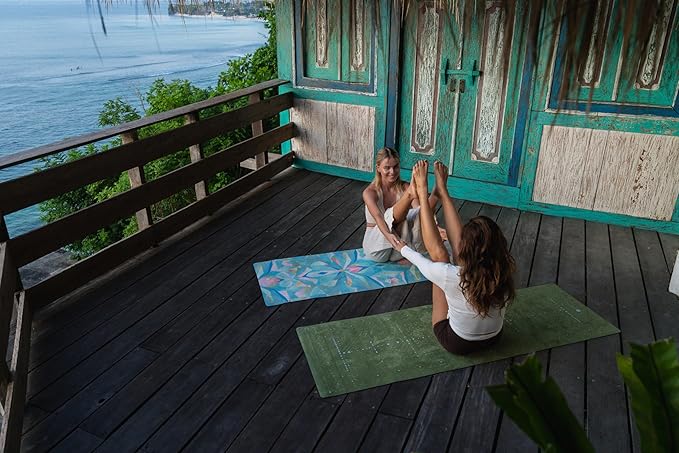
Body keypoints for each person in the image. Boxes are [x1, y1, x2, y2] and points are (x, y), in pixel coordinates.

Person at [391, 160, 516, 355]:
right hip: (494, 338)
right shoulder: (504, 268)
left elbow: (424, 262)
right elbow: (469, 256)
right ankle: (442, 191)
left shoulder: (452, 275)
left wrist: (403, 249)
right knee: (459, 263)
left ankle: (425, 194)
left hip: (457, 342)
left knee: (440, 257)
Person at [362, 148, 439, 262]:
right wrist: (388, 235)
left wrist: (435, 227)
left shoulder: (405, 187)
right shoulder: (370, 192)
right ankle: (431, 193)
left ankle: (437, 191)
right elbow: (378, 217)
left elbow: (419, 211)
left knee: (418, 212)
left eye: (395, 166)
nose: (392, 171)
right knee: (388, 215)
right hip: (377, 248)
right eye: (387, 168)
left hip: (400, 247)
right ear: (378, 168)